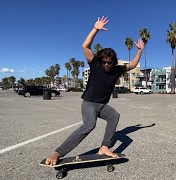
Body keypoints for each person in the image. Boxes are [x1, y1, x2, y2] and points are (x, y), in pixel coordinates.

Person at [45, 16, 144, 165]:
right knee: (89, 125)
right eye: (104, 61)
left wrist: (140, 51)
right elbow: (85, 46)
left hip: (102, 105)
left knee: (114, 116)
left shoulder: (117, 70)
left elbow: (133, 64)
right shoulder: (95, 64)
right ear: (100, 60)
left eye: (109, 62)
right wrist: (95, 29)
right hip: (89, 103)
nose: (106, 65)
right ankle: (57, 153)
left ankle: (104, 147)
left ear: (113, 62)